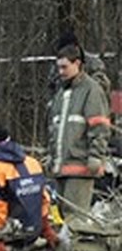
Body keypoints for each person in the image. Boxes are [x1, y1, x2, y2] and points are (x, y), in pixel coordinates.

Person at [46, 43, 111, 217]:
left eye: (64, 67)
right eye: (58, 67)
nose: (60, 72)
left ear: (78, 63)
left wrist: (96, 156)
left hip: (81, 168)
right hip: (60, 168)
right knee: (60, 218)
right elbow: (54, 130)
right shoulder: (60, 93)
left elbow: (100, 126)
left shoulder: (91, 90)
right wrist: (51, 157)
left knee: (75, 219)